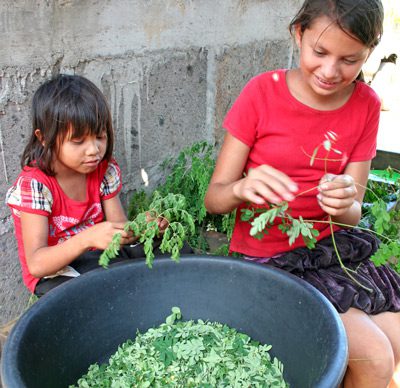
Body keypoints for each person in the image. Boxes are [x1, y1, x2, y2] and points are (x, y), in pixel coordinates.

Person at [205, 1, 400, 387]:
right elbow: (215, 199)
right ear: (299, 34)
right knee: (376, 358)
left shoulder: (365, 105)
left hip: (330, 253)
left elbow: (353, 214)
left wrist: (344, 202)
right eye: (320, 52)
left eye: (349, 60)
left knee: (395, 340)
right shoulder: (262, 94)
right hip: (270, 262)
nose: (330, 71)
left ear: (370, 52)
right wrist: (242, 188)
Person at [6, 74, 168, 297]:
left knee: (168, 252)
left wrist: (141, 227)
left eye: (100, 137)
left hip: (97, 256)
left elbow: (119, 230)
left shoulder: (103, 169)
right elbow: (37, 264)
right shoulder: (35, 185)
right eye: (78, 141)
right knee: (100, 292)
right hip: (56, 272)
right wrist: (87, 238)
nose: (93, 150)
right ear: (44, 138)